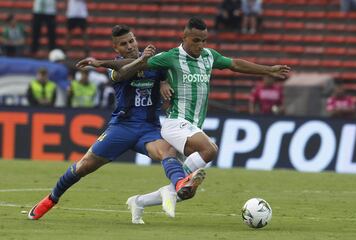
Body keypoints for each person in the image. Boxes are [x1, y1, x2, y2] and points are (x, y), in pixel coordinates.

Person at [100, 17, 290, 220]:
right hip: (175, 123)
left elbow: (235, 64)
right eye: (196, 40)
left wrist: (268, 69)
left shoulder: (209, 56)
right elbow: (135, 63)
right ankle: (182, 181)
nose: (201, 45)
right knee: (210, 149)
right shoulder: (171, 57)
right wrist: (100, 63)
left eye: (204, 40)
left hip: (192, 125)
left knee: (185, 192)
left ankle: (139, 202)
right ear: (184, 37)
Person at [27, 25, 205, 224]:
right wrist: (142, 60)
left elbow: (167, 71)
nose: (129, 46)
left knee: (168, 151)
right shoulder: (117, 66)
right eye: (123, 44)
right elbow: (122, 75)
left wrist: (163, 81)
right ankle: (51, 199)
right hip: (121, 128)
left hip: (149, 128)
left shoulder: (156, 64)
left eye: (131, 41)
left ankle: (181, 184)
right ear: (116, 49)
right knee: (83, 166)